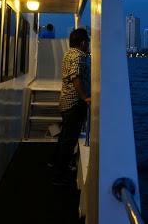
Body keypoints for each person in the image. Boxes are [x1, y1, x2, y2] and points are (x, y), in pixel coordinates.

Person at [51, 28, 90, 184]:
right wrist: (85, 97)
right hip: (74, 104)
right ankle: (58, 175)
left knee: (64, 137)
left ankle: (54, 163)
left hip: (65, 102)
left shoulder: (69, 53)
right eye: (87, 41)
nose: (88, 45)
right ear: (82, 43)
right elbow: (76, 79)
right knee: (69, 140)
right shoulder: (79, 56)